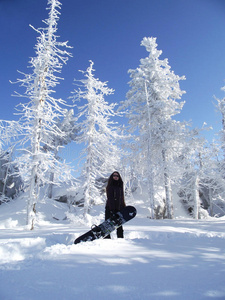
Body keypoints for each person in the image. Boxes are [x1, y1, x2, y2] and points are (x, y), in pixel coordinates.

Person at [105, 171, 126, 239]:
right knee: (108, 225)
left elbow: (121, 198)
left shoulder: (120, 185)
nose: (116, 177)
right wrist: (112, 210)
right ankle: (107, 239)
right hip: (110, 208)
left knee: (119, 225)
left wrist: (123, 207)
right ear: (112, 177)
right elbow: (110, 198)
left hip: (118, 208)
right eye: (114, 175)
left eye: (117, 176)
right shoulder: (110, 186)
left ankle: (120, 238)